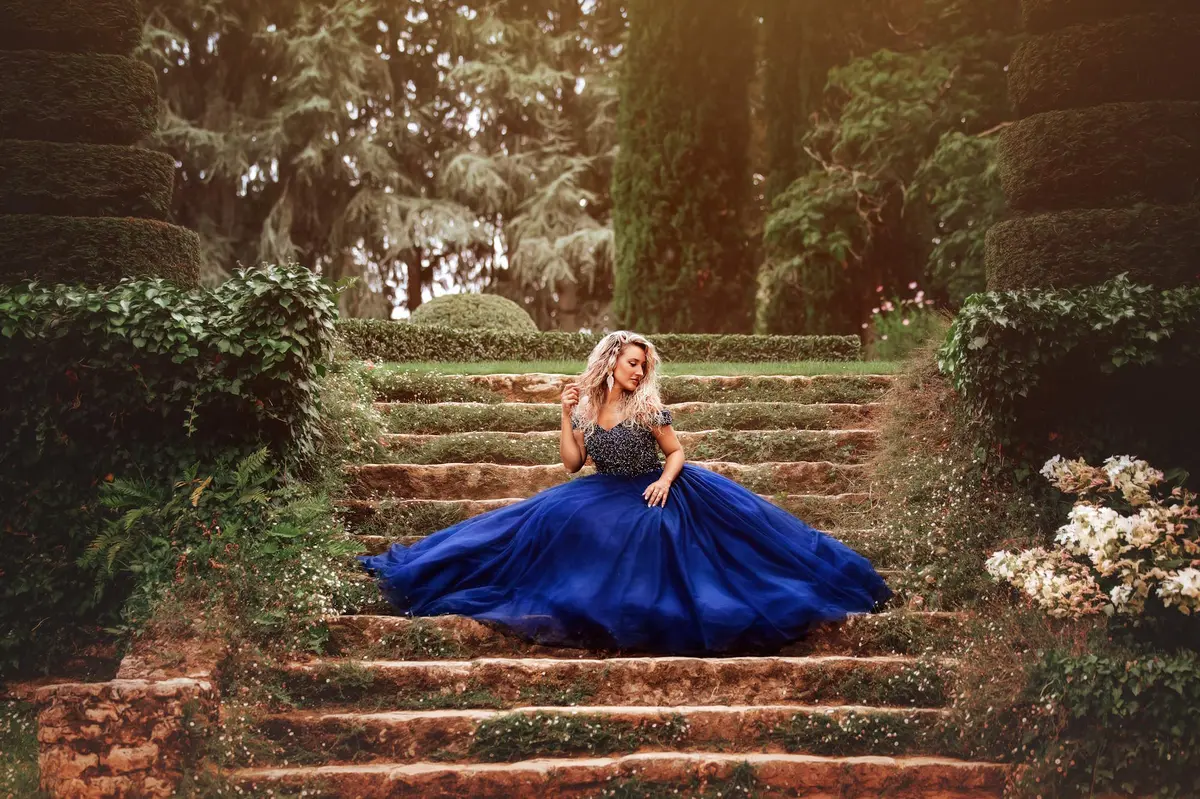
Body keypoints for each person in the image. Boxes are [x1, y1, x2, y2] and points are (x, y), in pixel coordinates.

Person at [359, 331, 891, 654]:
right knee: (540, 520)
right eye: (633, 362)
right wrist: (565, 413)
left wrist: (663, 480)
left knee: (657, 530)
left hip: (657, 488)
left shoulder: (649, 409)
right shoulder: (588, 409)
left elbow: (677, 453)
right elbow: (572, 465)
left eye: (644, 364)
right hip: (601, 489)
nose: (640, 370)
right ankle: (438, 571)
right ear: (611, 362)